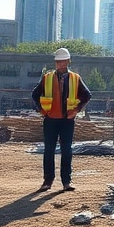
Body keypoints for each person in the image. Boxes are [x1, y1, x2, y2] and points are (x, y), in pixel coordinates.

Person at [32, 47, 92, 191]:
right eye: (58, 61)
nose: (60, 64)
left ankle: (66, 182)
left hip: (67, 120)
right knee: (49, 151)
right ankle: (48, 181)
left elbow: (87, 95)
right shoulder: (47, 78)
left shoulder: (75, 78)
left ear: (68, 61)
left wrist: (76, 111)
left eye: (63, 61)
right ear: (55, 62)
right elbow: (35, 94)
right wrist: (41, 110)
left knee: (67, 150)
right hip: (50, 120)